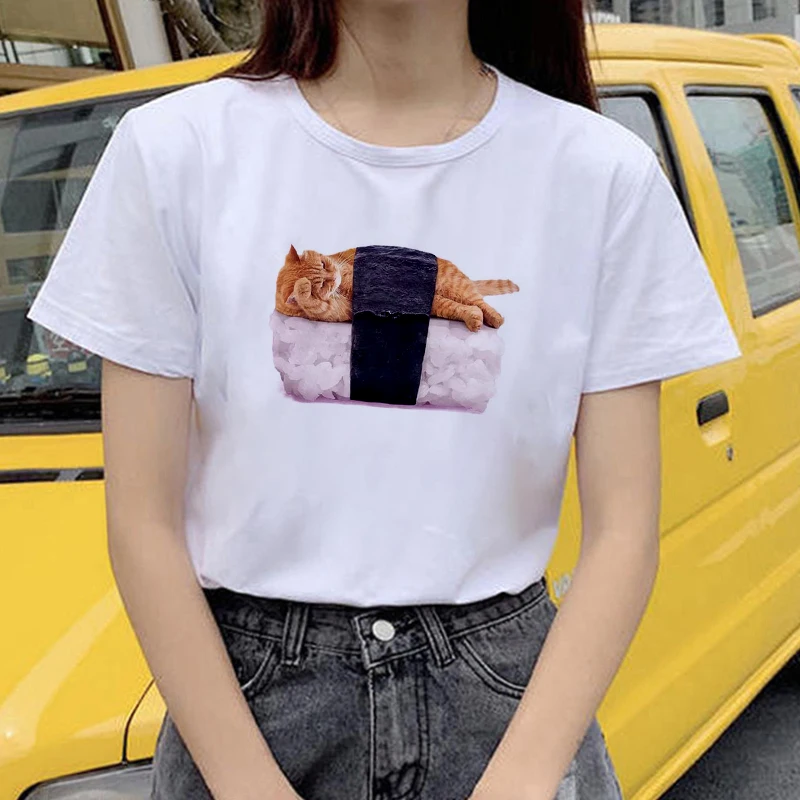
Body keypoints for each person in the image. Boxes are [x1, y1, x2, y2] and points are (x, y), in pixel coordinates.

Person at [26, 1, 742, 799]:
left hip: (508, 702)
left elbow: (624, 533)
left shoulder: (601, 172)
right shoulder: (177, 151)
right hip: (247, 705)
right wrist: (244, 783)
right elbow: (140, 522)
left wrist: (525, 776)